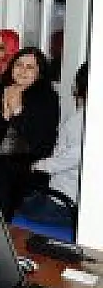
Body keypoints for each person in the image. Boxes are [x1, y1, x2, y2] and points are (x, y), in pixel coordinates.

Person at [0, 47, 60, 222]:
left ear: (39, 73)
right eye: (19, 64)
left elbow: (38, 143)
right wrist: (3, 114)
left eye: (30, 67)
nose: (23, 70)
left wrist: (16, 111)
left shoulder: (46, 99)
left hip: (24, 171)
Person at [18, 62, 87, 226]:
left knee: (13, 209)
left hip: (63, 202)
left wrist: (40, 165)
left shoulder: (83, 120)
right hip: (61, 193)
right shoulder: (81, 116)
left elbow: (76, 155)